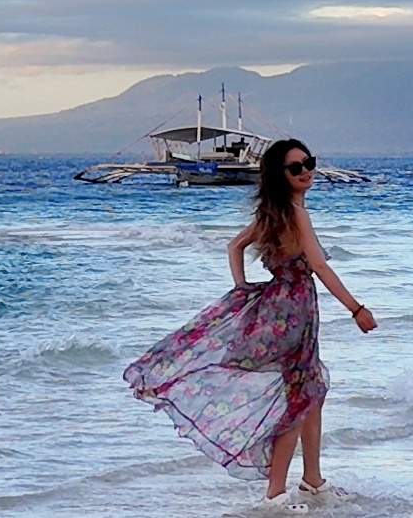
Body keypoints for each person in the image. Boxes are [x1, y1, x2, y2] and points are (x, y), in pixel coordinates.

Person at [123, 139, 378, 513]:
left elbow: (234, 246)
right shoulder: (294, 213)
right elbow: (319, 267)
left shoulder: (274, 213)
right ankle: (275, 494)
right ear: (281, 174)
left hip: (281, 306)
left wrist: (242, 287)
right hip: (293, 311)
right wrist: (357, 309)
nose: (306, 171)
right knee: (298, 398)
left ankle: (312, 480)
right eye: (295, 167)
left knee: (313, 391)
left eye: (309, 162)